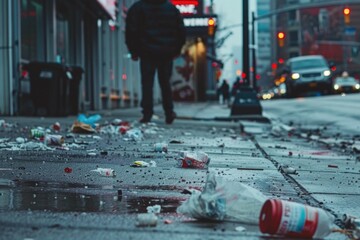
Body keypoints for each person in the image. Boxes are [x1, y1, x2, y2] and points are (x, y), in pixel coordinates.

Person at [125, 0, 186, 124]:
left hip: (146, 52)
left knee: (147, 84)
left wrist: (134, 51)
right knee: (165, 83)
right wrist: (176, 50)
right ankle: (169, 112)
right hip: (166, 52)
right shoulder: (171, 8)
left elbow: (131, 30)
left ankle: (147, 114)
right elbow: (181, 31)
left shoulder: (138, 7)